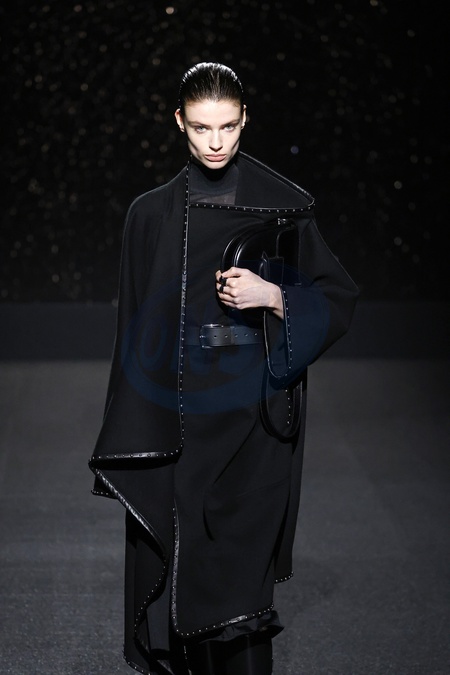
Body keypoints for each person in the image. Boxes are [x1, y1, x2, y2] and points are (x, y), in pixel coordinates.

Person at [89, 62, 358, 675]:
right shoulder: (150, 216)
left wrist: (274, 296)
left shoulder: (282, 207)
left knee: (241, 579)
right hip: (180, 419)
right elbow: (134, 334)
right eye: (202, 127)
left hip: (255, 415)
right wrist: (130, 426)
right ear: (179, 122)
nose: (215, 142)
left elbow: (338, 298)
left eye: (229, 127)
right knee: (188, 571)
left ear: (245, 121)